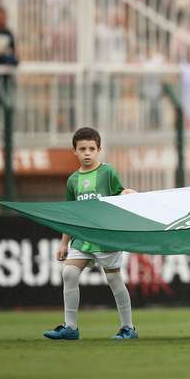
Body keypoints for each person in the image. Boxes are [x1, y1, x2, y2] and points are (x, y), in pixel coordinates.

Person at [43, 127, 138, 341]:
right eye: (82, 149)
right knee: (69, 274)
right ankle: (70, 327)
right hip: (82, 238)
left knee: (114, 279)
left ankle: (128, 327)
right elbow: (71, 214)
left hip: (105, 237)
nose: (87, 153)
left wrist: (126, 193)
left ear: (99, 150)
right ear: (74, 151)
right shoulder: (72, 180)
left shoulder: (108, 172)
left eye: (91, 149)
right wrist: (63, 243)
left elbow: (118, 196)